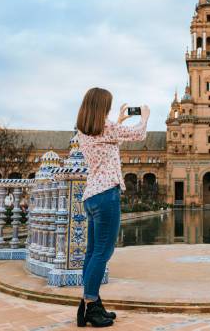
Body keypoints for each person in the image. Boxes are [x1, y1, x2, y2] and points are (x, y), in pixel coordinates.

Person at [74, 87, 149, 328]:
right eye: (107, 106)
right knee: (103, 253)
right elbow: (138, 135)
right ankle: (91, 305)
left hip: (91, 196)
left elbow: (109, 137)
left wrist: (119, 119)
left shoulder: (84, 131)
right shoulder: (105, 128)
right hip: (107, 195)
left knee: (92, 252)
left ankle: (89, 305)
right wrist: (144, 116)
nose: (108, 110)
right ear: (100, 108)